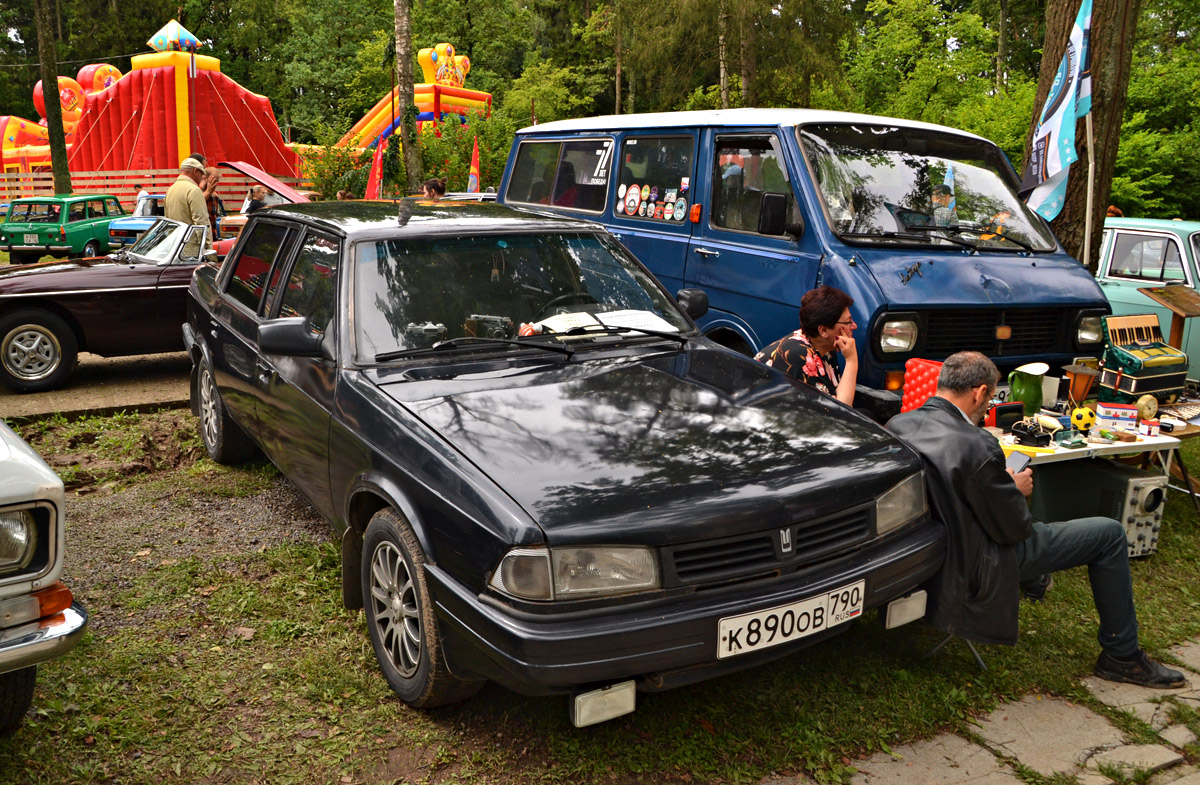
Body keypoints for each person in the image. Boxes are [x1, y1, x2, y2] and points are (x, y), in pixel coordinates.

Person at [886, 351, 1187, 688]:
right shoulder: (976, 445)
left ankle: (1036, 581)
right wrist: (1015, 490)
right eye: (990, 398)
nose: (988, 407)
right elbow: (1015, 529)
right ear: (979, 392)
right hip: (976, 561)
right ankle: (1122, 656)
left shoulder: (898, 424)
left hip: (926, 555)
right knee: (1110, 534)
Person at [754, 285, 858, 406]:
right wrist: (851, 361)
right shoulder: (800, 356)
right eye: (848, 322)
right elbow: (841, 411)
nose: (854, 326)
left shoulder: (823, 346)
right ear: (823, 330)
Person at [202, 166, 222, 237]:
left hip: (212, 235)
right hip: (202, 235)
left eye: (217, 181)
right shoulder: (197, 192)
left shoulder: (215, 196)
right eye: (214, 180)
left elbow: (216, 216)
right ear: (205, 178)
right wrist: (208, 192)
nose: (216, 184)